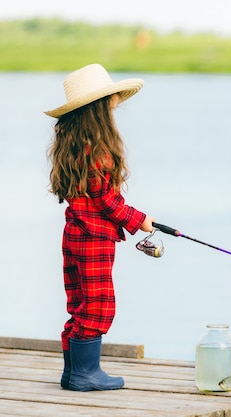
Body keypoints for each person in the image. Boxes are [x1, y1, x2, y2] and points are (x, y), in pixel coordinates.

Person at [46, 64, 155, 391]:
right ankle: (84, 374)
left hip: (74, 234)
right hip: (93, 237)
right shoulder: (99, 150)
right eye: (110, 97)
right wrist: (141, 221)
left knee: (80, 303)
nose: (115, 101)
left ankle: (72, 373)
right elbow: (108, 201)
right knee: (98, 304)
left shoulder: (75, 145)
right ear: (99, 107)